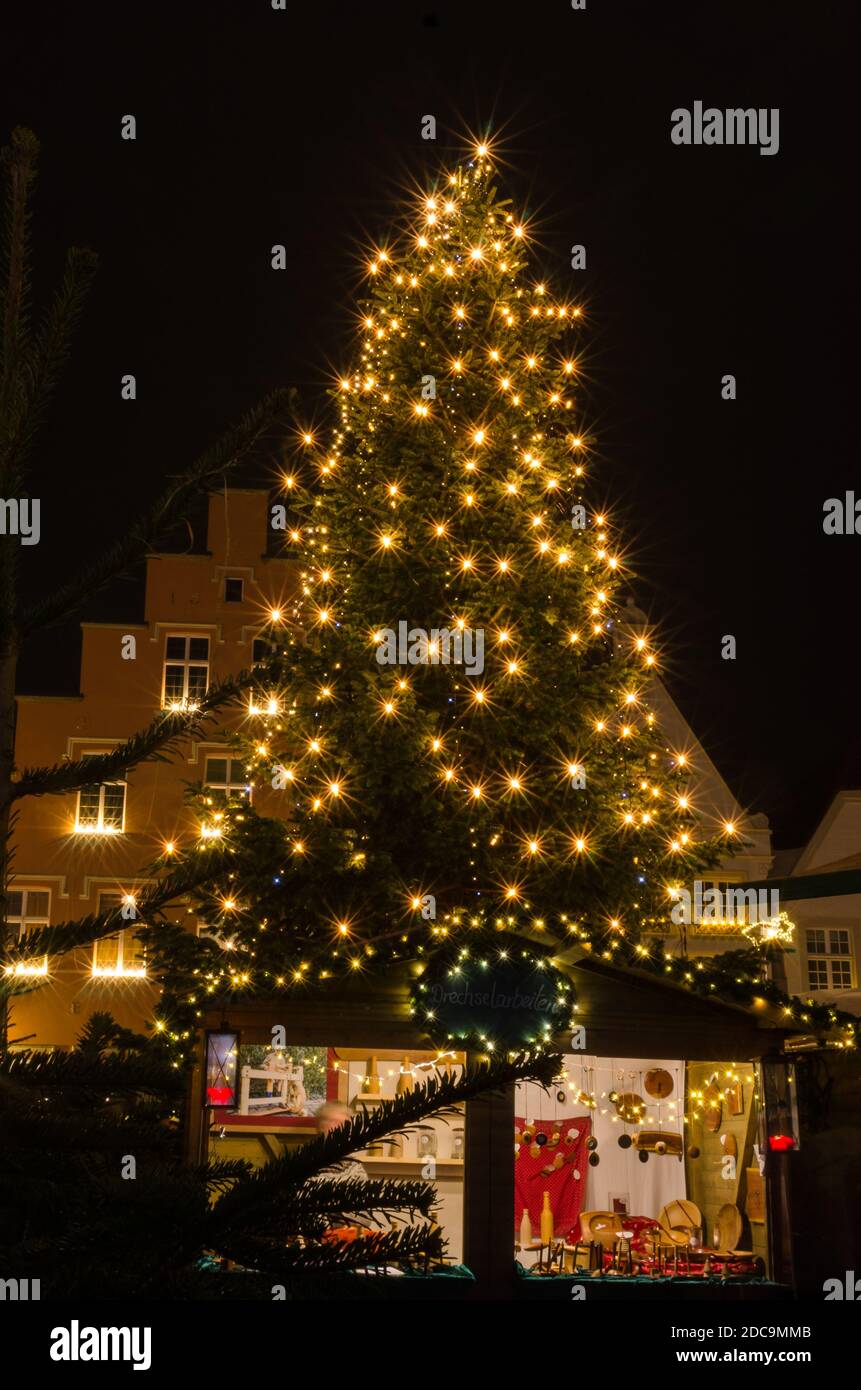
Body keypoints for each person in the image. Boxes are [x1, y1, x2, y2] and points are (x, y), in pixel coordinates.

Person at [313, 1100, 367, 1183]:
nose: (341, 1128)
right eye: (334, 1122)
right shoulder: (303, 1161)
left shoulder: (355, 1166)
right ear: (321, 1125)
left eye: (345, 1124)